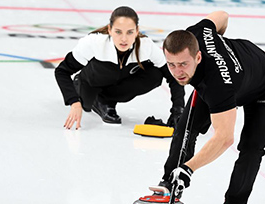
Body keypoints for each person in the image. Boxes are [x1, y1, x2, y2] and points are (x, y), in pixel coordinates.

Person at [154, 11, 265, 204]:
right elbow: (222, 15)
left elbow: (224, 138)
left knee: (251, 148)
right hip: (235, 76)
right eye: (172, 64)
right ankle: (170, 182)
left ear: (198, 57)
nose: (178, 72)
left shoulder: (219, 85)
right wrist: (220, 45)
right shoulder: (197, 32)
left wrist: (189, 168)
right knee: (185, 128)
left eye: (183, 64)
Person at [55, 6, 184, 129]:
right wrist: (74, 102)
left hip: (114, 86)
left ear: (137, 31)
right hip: (90, 84)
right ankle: (90, 94)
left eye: (130, 32)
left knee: (155, 75)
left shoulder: (146, 46)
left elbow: (173, 76)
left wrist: (178, 110)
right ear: (110, 30)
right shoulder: (94, 43)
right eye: (118, 32)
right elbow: (62, 71)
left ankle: (106, 100)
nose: (124, 39)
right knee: (90, 98)